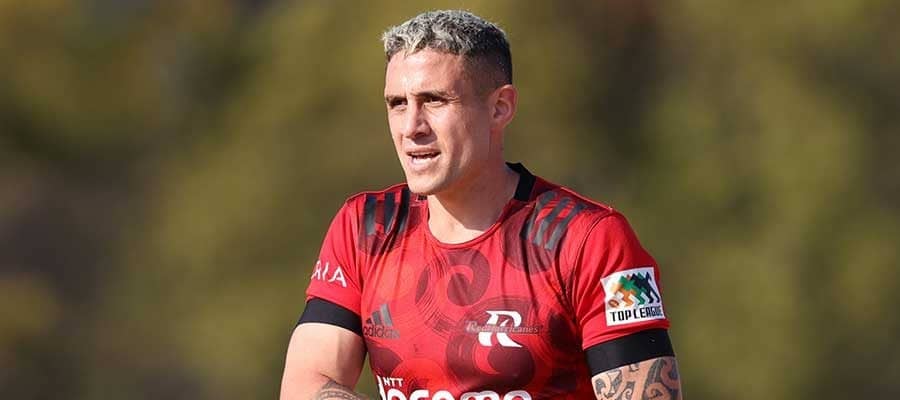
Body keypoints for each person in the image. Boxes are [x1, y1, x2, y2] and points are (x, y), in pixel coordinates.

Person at [280, 10, 682, 400]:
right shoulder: (366, 227)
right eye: (397, 103)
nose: (411, 127)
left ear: (500, 107)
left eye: (434, 101)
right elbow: (306, 383)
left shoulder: (593, 239)